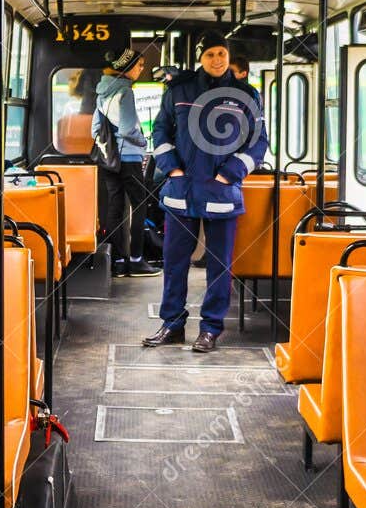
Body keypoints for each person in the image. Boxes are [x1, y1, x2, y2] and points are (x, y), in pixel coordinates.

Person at [143, 32, 269, 353]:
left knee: (219, 265)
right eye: (210, 54)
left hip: (222, 192)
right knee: (174, 262)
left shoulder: (245, 95)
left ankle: (210, 328)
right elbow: (160, 130)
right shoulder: (179, 91)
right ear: (200, 58)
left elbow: (258, 142)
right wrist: (172, 167)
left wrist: (232, 174)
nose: (217, 60)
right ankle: (172, 324)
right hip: (181, 190)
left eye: (221, 54)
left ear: (228, 57)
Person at [92, 47, 160, 276]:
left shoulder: (102, 93)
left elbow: (95, 129)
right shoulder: (126, 92)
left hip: (109, 160)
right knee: (140, 205)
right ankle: (138, 259)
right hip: (129, 158)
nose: (142, 69)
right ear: (129, 67)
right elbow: (129, 129)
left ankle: (118, 262)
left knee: (115, 207)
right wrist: (143, 141)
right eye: (140, 65)